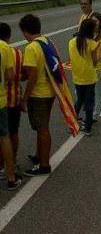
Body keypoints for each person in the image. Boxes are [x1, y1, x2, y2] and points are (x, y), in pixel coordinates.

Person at [19, 14, 56, 176]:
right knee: (43, 126)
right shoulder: (46, 41)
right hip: (50, 91)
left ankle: (44, 165)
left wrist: (24, 99)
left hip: (39, 94)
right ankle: (38, 155)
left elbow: (31, 76)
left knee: (42, 129)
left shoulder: (31, 47)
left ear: (26, 31)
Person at [0, 25, 22, 190]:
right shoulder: (6, 49)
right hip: (3, 101)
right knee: (5, 136)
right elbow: (10, 76)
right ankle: (11, 176)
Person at [69, 19, 98, 136]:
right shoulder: (92, 43)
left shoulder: (71, 42)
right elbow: (95, 61)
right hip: (89, 76)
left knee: (79, 99)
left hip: (77, 76)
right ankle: (88, 127)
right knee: (89, 102)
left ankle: (73, 121)